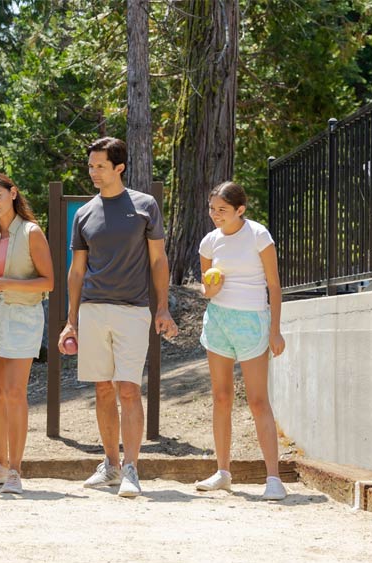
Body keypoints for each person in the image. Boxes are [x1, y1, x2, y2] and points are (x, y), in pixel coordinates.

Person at [58, 137, 178, 498]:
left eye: (100, 166)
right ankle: (109, 465)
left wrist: (162, 307)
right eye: (90, 166)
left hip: (134, 310)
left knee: (128, 388)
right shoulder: (83, 213)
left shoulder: (145, 206)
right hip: (92, 310)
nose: (93, 172)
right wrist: (71, 320)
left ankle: (131, 469)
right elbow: (76, 271)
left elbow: (158, 260)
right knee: (103, 388)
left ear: (119, 167)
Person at [194, 181, 288, 500]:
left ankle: (273, 478)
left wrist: (275, 330)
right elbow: (206, 289)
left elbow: (274, 286)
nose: (215, 215)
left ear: (240, 210)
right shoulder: (209, 242)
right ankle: (222, 472)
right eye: (212, 209)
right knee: (221, 397)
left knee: (258, 400)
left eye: (222, 210)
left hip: (252, 321)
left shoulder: (258, 235)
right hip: (219, 320)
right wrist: (211, 290)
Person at [0, 172, 54, 495]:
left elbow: (48, 282)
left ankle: (16, 470)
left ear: (13, 193)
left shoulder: (32, 232)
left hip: (22, 317)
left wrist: (5, 284)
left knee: (15, 392)